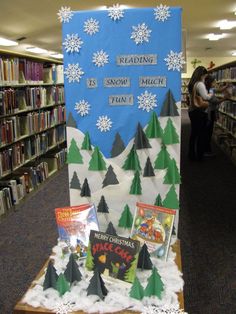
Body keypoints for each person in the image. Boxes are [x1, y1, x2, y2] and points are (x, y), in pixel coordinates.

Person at [187, 66, 213, 161]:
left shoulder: (192, 83)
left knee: (194, 134)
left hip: (192, 111)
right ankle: (200, 155)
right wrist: (212, 92)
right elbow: (206, 97)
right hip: (199, 112)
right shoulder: (200, 84)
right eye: (205, 76)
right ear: (202, 75)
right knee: (201, 134)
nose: (205, 78)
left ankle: (191, 154)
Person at [204, 74, 231, 156]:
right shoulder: (209, 91)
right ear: (210, 82)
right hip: (209, 113)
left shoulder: (209, 89)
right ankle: (207, 151)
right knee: (208, 132)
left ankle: (206, 149)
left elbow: (217, 90)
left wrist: (226, 87)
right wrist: (225, 98)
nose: (215, 82)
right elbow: (215, 101)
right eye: (214, 81)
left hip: (209, 111)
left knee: (208, 131)